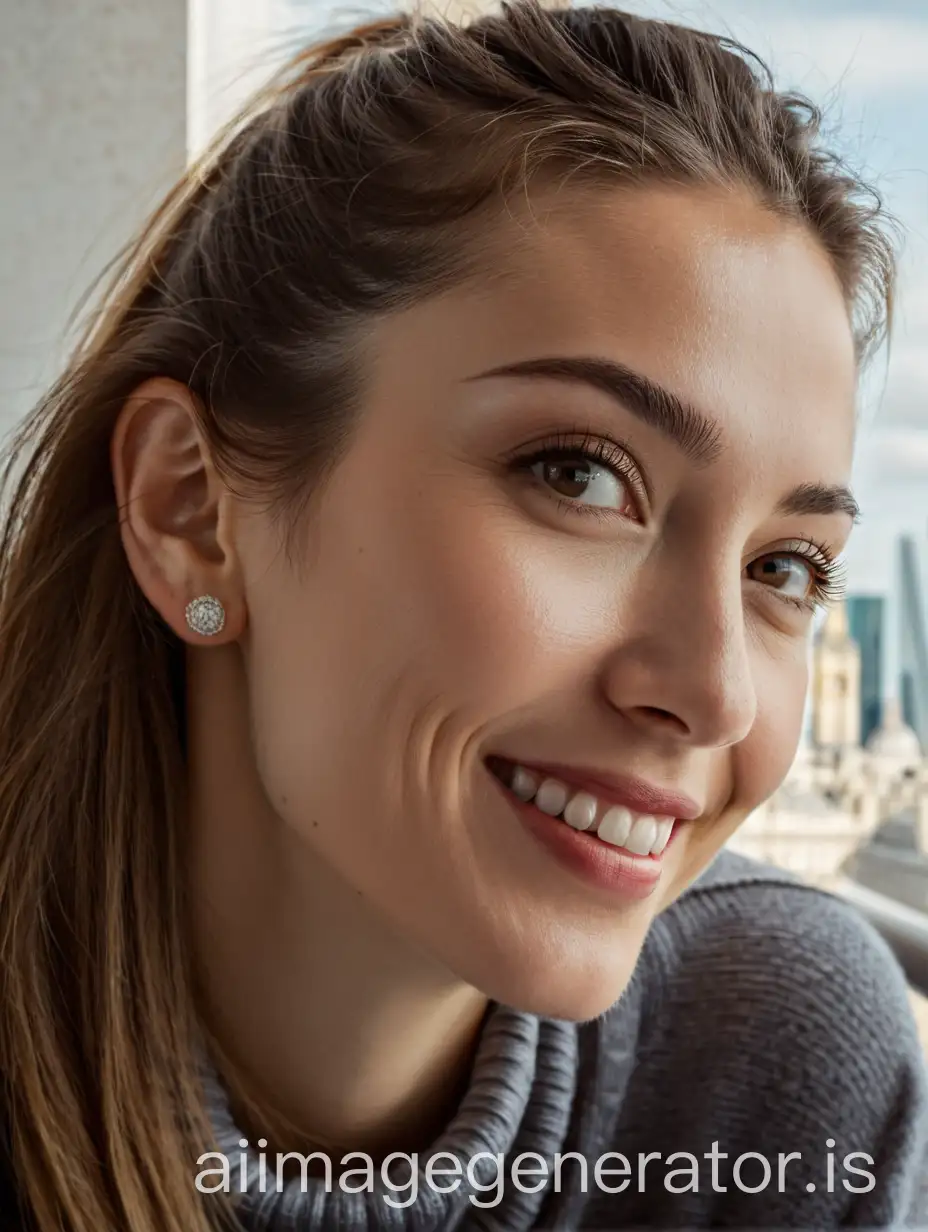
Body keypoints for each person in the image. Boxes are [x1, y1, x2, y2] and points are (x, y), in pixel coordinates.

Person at [0, 2, 926, 1228]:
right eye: (579, 474)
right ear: (190, 510)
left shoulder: (775, 1061)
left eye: (786, 569)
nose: (714, 692)